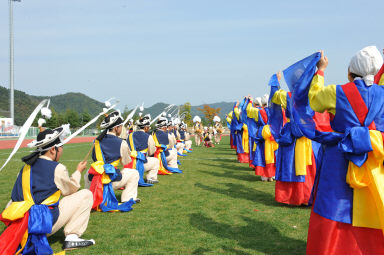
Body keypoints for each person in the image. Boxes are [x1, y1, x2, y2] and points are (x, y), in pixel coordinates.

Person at [305, 47, 384, 254]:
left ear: (349, 72)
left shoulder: (336, 92)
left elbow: (314, 100)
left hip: (339, 158)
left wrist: (320, 71)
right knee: (373, 205)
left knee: (333, 205)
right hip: (374, 160)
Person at [0, 125, 95, 253]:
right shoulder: (57, 168)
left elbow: (15, 197)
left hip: (23, 225)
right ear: (52, 150)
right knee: (86, 194)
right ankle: (72, 237)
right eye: (60, 147)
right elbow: (70, 190)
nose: (61, 150)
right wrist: (78, 172)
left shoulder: (24, 168)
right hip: (43, 223)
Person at [84, 111, 140, 212]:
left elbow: (94, 158)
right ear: (115, 128)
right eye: (120, 126)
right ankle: (127, 198)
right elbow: (126, 162)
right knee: (134, 173)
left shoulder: (96, 142)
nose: (122, 128)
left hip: (95, 181)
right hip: (109, 180)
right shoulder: (121, 143)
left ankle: (90, 197)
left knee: (88, 172)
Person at [126, 114, 159, 185]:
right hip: (140, 162)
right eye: (148, 127)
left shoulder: (130, 135)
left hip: (129, 163)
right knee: (156, 161)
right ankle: (151, 178)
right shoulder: (148, 136)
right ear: (146, 128)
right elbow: (151, 152)